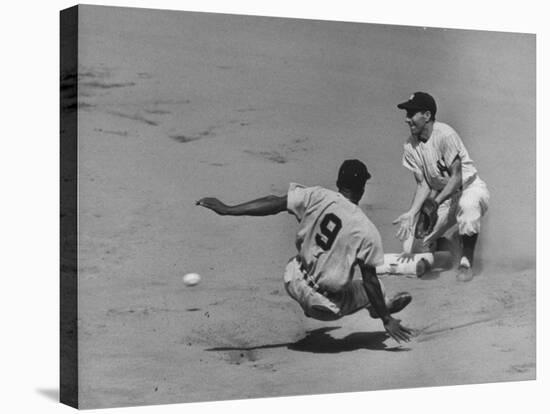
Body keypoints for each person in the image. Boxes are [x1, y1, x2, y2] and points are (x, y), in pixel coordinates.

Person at [197, 159, 413, 343]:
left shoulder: (317, 195)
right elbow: (370, 281)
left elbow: (274, 202)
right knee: (375, 287)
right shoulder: (367, 230)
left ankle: (375, 307)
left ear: (338, 183)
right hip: (324, 305)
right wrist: (387, 320)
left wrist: (228, 209)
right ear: (362, 189)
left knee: (306, 259)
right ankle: (380, 309)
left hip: (293, 279)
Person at [392, 92, 490, 282]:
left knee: (468, 206)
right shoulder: (410, 146)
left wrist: (434, 204)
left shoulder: (445, 134)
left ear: (427, 115)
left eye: (412, 113)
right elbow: (423, 185)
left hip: (470, 189)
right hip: (446, 199)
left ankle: (465, 262)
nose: (407, 119)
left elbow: (456, 177)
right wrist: (412, 212)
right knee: (414, 248)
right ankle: (452, 248)